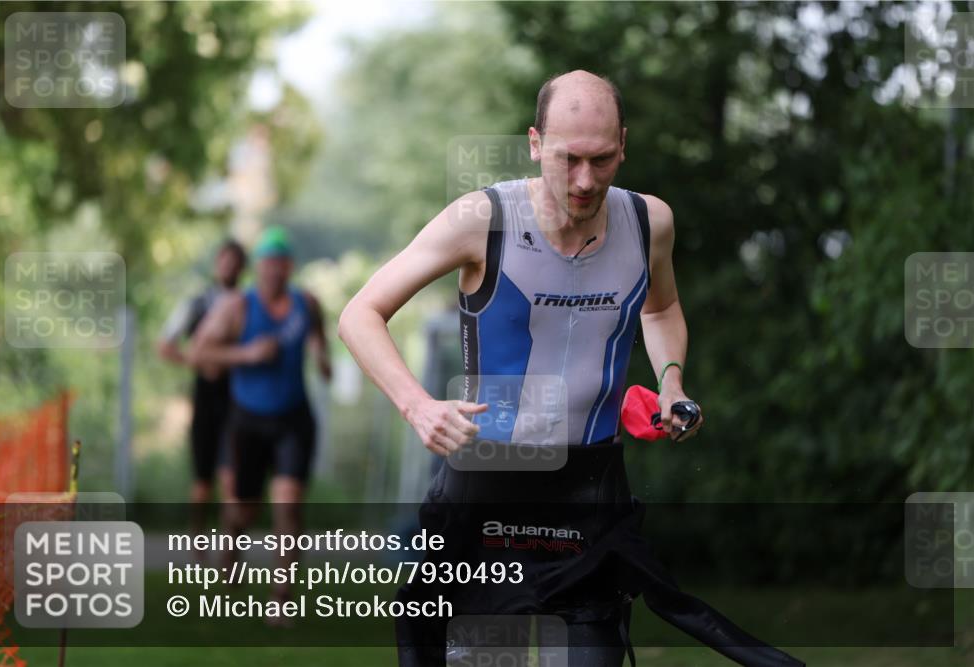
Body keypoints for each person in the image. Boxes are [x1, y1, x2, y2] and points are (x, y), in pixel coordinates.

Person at [339, 71, 803, 666]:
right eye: (569, 159)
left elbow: (660, 308)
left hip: (590, 495)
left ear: (624, 146)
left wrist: (671, 383)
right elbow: (360, 312)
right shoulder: (480, 220)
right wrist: (418, 405)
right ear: (535, 143)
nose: (586, 181)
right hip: (488, 492)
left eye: (603, 160)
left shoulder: (647, 223)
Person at [191, 226, 331, 606]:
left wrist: (321, 355)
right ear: (258, 268)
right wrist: (246, 355)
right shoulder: (237, 307)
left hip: (293, 420)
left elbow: (318, 331)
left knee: (289, 504)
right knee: (244, 512)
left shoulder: (307, 303)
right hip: (246, 422)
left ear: (290, 268)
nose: (275, 271)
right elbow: (200, 352)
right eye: (268, 264)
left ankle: (281, 596)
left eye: (282, 264)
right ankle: (230, 540)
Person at [157, 238, 247, 523]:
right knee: (202, 479)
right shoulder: (196, 304)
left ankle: (228, 552)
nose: (228, 267)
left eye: (234, 262)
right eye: (224, 261)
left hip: (238, 399)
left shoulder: (247, 304)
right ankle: (198, 542)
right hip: (205, 397)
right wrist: (197, 360)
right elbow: (165, 345)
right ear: (216, 264)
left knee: (231, 476)